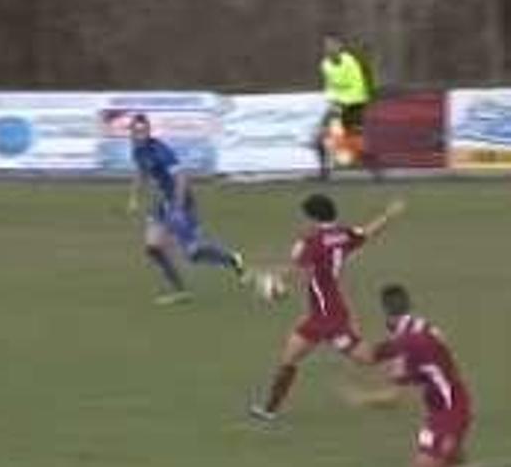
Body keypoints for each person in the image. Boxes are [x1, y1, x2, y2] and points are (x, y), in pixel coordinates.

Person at [249, 194, 405, 422]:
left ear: (312, 217)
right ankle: (269, 410)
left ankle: (407, 346)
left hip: (331, 316)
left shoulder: (312, 242)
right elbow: (368, 232)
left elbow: (293, 271)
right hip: (317, 314)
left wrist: (269, 281)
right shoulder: (343, 234)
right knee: (289, 357)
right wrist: (389, 215)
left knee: (366, 358)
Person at [343, 285, 473, 467]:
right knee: (451, 458)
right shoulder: (422, 327)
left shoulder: (407, 344)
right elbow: (369, 355)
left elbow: (394, 399)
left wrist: (362, 399)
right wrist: (346, 337)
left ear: (386, 314)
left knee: (425, 462)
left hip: (448, 411)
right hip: (451, 402)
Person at [126, 114, 246, 305]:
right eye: (136, 131)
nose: (140, 134)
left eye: (144, 130)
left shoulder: (160, 150)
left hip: (180, 202)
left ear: (149, 131)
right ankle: (181, 291)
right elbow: (141, 173)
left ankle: (232, 259)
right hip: (161, 203)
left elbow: (181, 177)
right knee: (153, 247)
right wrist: (133, 198)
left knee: (193, 253)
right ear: (131, 133)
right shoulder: (137, 151)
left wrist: (178, 207)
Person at [316, 34, 374, 179]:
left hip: (354, 105)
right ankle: (324, 173)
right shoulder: (325, 64)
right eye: (326, 45)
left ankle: (376, 170)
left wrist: (346, 104)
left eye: (332, 45)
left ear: (340, 46)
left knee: (355, 146)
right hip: (338, 105)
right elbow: (330, 87)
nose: (328, 48)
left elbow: (358, 86)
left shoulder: (350, 62)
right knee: (319, 138)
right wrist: (332, 104)